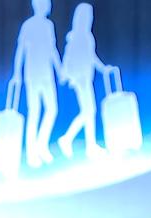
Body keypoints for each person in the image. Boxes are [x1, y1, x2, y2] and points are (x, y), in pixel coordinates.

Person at [10, 0, 63, 168]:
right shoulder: (28, 25)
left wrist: (59, 70)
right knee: (34, 112)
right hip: (33, 74)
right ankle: (32, 154)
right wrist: (17, 73)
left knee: (52, 109)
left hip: (46, 73)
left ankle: (41, 145)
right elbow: (21, 50)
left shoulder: (49, 25)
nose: (48, 6)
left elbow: (52, 49)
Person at [57, 3, 110, 160]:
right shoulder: (75, 37)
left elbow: (92, 57)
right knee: (88, 111)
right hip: (80, 79)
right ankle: (68, 139)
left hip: (86, 78)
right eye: (88, 15)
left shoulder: (87, 36)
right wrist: (66, 74)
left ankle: (88, 145)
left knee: (89, 111)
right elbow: (68, 58)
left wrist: (103, 69)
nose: (90, 18)